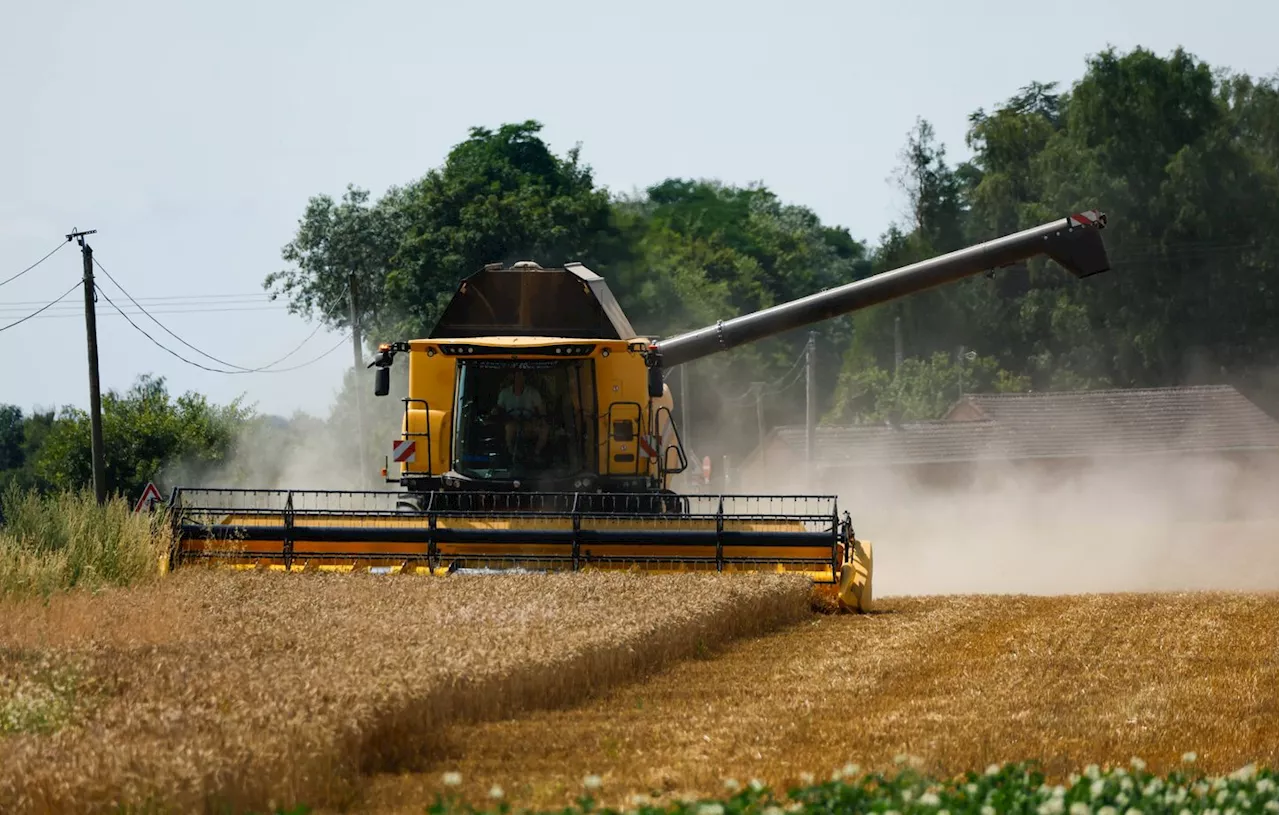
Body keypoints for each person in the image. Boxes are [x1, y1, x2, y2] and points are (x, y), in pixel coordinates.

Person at [492, 371, 548, 456]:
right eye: (517, 376)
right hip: (511, 423)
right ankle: (510, 453)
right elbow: (499, 410)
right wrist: (496, 412)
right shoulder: (504, 393)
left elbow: (541, 411)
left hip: (529, 424)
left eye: (521, 376)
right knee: (509, 427)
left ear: (525, 378)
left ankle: (536, 453)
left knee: (544, 429)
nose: (519, 379)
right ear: (512, 378)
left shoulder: (533, 393)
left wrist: (540, 420)